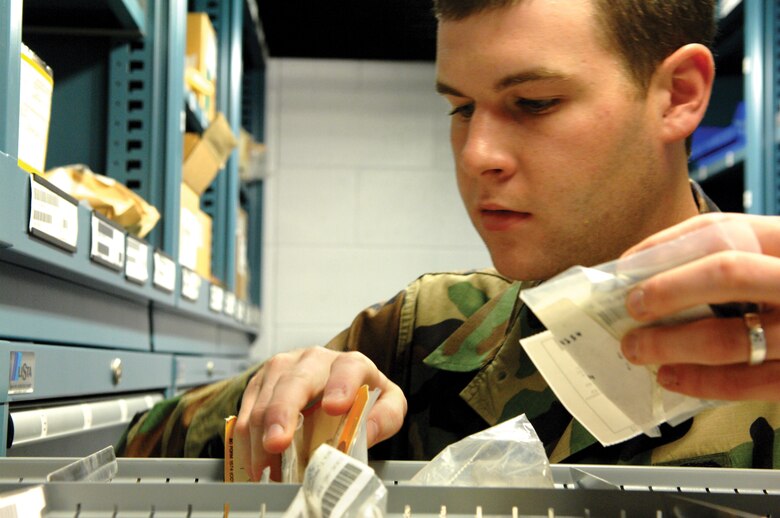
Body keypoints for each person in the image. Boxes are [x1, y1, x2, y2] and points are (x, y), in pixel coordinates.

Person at [118, 0, 780, 477]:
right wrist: (276, 395)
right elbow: (141, 441)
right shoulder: (428, 335)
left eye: (535, 102)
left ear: (679, 95)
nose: (476, 154)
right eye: (460, 108)